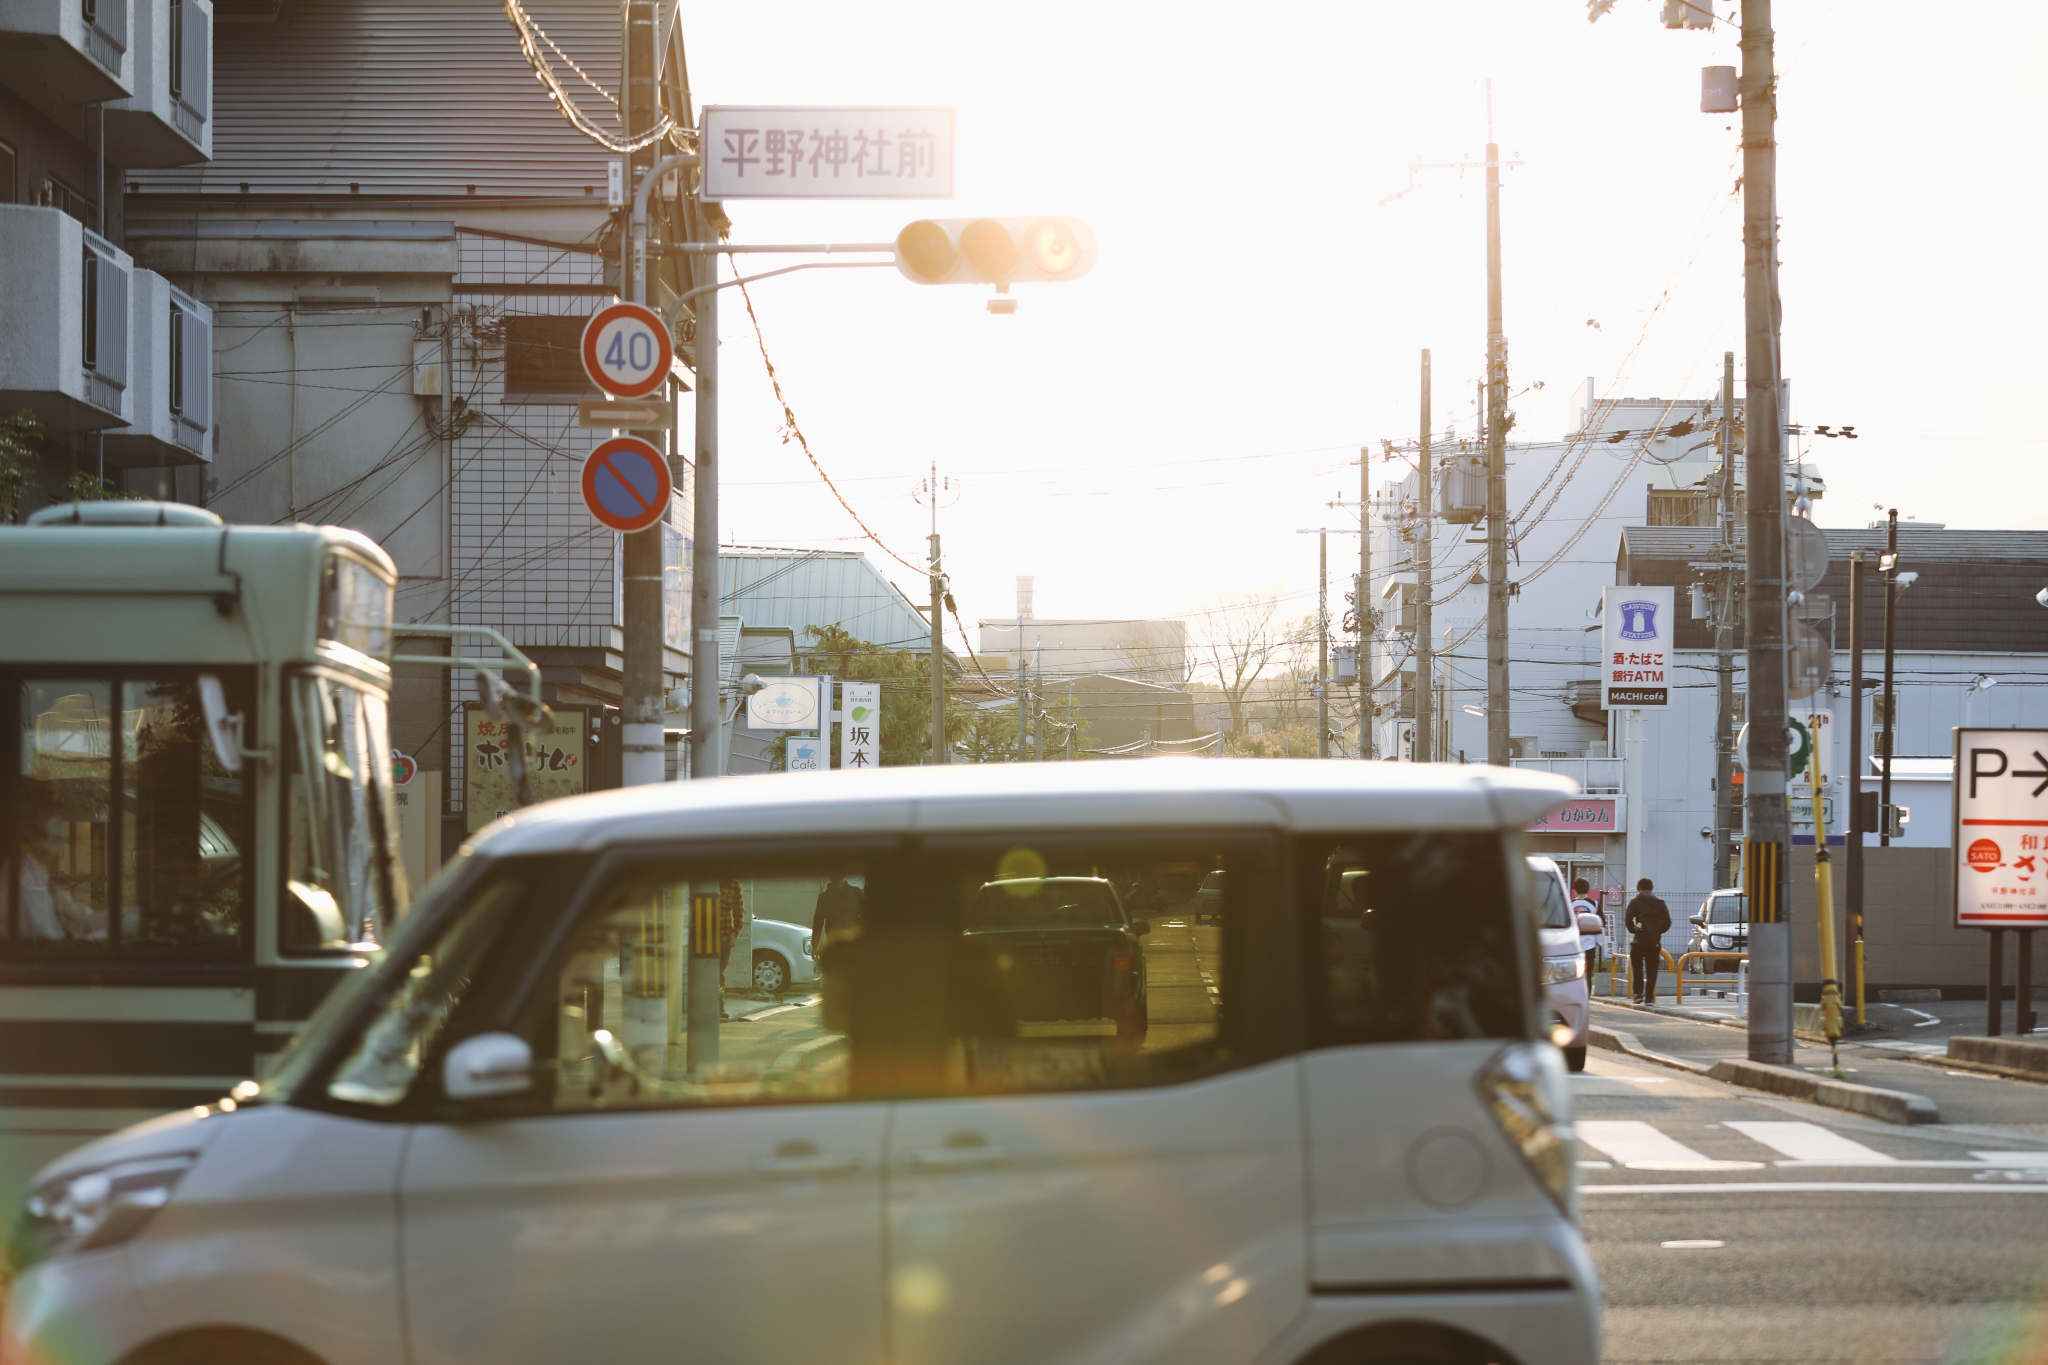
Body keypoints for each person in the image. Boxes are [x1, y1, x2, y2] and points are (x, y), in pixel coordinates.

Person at [1623, 877, 1672, 1005]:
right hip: (1653, 942)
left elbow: (1628, 920)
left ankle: (1638, 994)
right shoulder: (1660, 903)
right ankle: (1649, 998)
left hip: (1638, 941)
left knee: (1637, 968)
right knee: (1652, 970)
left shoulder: (1635, 902)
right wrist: (1656, 931)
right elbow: (1668, 922)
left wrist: (1634, 930)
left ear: (1638, 888)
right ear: (1651, 889)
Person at [812, 873, 866, 954]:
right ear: (830, 876)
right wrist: (814, 947)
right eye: (833, 875)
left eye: (839, 874)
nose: (836, 877)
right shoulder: (824, 897)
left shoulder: (856, 893)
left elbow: (868, 914)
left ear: (844, 875)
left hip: (853, 943)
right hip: (834, 945)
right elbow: (818, 923)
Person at [1570, 878, 1602, 979]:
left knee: (1574, 975)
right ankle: (1587, 994)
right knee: (1588, 974)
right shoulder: (1594, 905)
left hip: (1574, 944)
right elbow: (1602, 923)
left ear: (1575, 889)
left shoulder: (1570, 904)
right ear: (1588, 889)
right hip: (1590, 944)